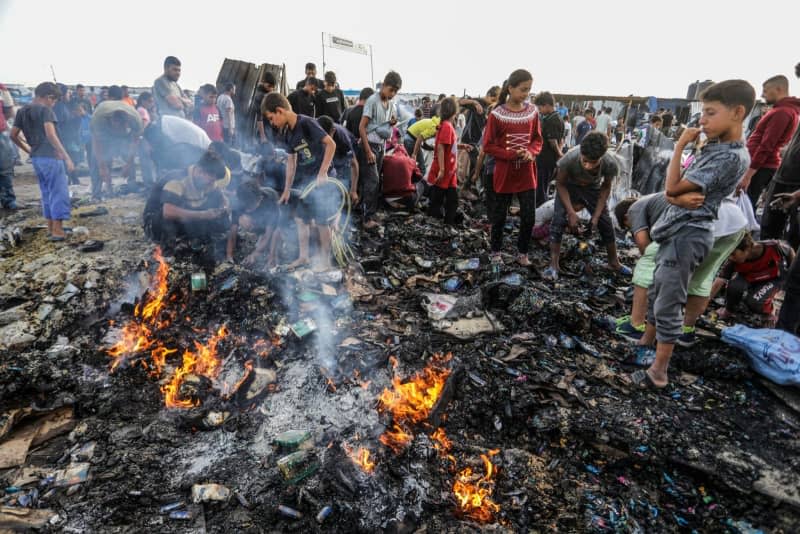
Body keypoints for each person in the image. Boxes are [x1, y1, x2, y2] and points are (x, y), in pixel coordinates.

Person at [631, 80, 755, 390]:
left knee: (670, 301)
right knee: (660, 292)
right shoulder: (716, 148)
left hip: (689, 233)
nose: (702, 120)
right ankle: (646, 345)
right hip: (679, 229)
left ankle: (659, 371)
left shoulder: (728, 157)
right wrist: (675, 197)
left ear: (738, 113)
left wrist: (678, 147)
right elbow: (675, 193)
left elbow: (672, 187)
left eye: (711, 113)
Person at [614, 193, 748, 347]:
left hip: (703, 221)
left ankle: (636, 325)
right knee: (701, 275)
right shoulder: (656, 203)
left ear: (626, 218)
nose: (632, 231)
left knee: (647, 263)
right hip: (735, 222)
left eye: (628, 228)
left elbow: (644, 246)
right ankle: (685, 331)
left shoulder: (635, 209)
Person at [262, 92, 337, 270]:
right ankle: (304, 257)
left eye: (272, 118)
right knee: (300, 218)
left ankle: (326, 261)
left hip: (323, 180)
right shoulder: (288, 133)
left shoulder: (306, 123)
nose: (273, 123)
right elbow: (291, 161)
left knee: (321, 222)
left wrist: (323, 172)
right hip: (308, 183)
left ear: (280, 111)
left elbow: (331, 144)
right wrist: (287, 189)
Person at [544, 133, 628, 280]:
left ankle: (614, 262)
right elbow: (560, 184)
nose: (588, 165)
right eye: (585, 161)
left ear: (601, 157)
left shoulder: (610, 164)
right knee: (558, 221)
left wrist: (595, 217)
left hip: (592, 190)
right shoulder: (569, 158)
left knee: (605, 222)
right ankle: (553, 265)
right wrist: (570, 212)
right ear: (581, 153)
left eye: (593, 162)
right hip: (568, 187)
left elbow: (605, 188)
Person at [482, 69, 542, 266]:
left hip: (526, 173)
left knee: (529, 216)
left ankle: (522, 252)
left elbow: (537, 139)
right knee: (499, 215)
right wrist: (510, 154)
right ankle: (496, 252)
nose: (526, 94)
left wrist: (531, 152)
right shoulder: (497, 115)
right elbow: (488, 145)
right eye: (523, 90)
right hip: (504, 173)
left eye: (529, 90)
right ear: (511, 88)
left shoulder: (532, 112)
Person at [10, 82, 74, 241]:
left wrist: (29, 150)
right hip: (51, 157)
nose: (54, 103)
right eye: (54, 100)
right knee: (59, 192)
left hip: (37, 158)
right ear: (48, 97)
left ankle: (51, 227)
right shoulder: (46, 110)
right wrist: (66, 156)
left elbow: (13, 135)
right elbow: (51, 135)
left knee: (47, 193)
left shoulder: (22, 111)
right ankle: (58, 231)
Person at [146, 150, 231, 253]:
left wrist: (224, 207)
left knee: (221, 220)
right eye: (210, 180)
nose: (212, 183)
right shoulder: (178, 179)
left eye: (214, 180)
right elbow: (168, 212)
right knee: (167, 222)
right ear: (200, 171)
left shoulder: (209, 180)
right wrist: (203, 215)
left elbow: (221, 197)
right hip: (157, 220)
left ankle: (191, 240)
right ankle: (169, 249)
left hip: (185, 217)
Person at [738, 75, 800, 208]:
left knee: (746, 206)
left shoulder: (782, 112)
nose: (762, 95)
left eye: (765, 91)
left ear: (778, 89)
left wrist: (748, 175)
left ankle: (745, 229)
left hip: (761, 167)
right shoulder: (782, 110)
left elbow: (767, 145)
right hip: (761, 166)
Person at [711, 233, 795, 324]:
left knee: (754, 302)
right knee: (734, 286)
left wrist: (792, 272)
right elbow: (720, 281)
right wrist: (706, 301)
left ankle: (768, 313)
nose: (730, 257)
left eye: (733, 254)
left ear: (747, 249)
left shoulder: (773, 246)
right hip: (750, 277)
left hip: (773, 278)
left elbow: (790, 250)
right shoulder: (732, 261)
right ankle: (729, 310)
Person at [760, 65, 800, 248]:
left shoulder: (784, 112)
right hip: (784, 175)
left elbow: (766, 144)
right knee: (770, 229)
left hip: (793, 181)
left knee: (790, 237)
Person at [358, 71, 402, 229]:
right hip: (369, 145)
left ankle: (371, 212)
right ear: (384, 85)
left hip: (381, 146)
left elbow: (384, 125)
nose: (393, 94)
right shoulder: (372, 101)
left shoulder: (390, 104)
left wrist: (392, 122)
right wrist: (368, 151)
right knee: (372, 181)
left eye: (396, 92)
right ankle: (366, 218)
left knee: (376, 182)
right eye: (391, 90)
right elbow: (362, 127)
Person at [88, 99, 144, 197]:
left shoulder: (135, 120)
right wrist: (102, 167)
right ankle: (97, 192)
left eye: (120, 127)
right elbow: (96, 143)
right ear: (110, 120)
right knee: (97, 160)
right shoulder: (98, 119)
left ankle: (132, 188)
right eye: (115, 126)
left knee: (128, 155)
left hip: (125, 135)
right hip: (104, 134)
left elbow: (135, 143)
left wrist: (128, 163)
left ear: (126, 123)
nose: (117, 129)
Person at [226, 179, 280, 267]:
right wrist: (229, 256)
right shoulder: (239, 201)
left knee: (276, 234)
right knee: (243, 219)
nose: (248, 210)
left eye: (251, 207)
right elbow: (232, 233)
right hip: (257, 219)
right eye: (246, 207)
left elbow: (268, 234)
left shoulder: (270, 200)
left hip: (272, 219)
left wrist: (254, 254)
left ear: (260, 198)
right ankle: (256, 232)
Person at [425, 97, 460, 224]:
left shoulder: (446, 125)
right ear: (455, 112)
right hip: (445, 169)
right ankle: (435, 222)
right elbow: (440, 147)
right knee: (438, 198)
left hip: (449, 170)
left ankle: (447, 223)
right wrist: (442, 169)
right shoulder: (446, 126)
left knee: (451, 199)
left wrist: (462, 146)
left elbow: (448, 145)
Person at [317, 114, 359, 204]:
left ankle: (344, 201)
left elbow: (353, 164)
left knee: (342, 178)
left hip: (346, 149)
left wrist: (353, 190)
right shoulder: (314, 128)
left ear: (333, 131)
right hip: (334, 152)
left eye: (327, 137)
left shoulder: (342, 138)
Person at [533, 91, 564, 207]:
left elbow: (553, 141)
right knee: (541, 186)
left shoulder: (553, 119)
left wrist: (560, 154)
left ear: (547, 105)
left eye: (540, 107)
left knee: (541, 189)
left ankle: (539, 212)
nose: (539, 110)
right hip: (545, 159)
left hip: (546, 160)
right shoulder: (551, 117)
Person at [0, 86, 17, 209]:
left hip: (1, 133)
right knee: (5, 170)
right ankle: (8, 200)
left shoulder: (2, 88)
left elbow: (10, 111)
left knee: (5, 169)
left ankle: (8, 200)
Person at [136, 92, 157, 187]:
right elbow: (143, 126)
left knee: (147, 163)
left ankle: (148, 183)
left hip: (144, 139)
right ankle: (149, 184)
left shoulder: (143, 110)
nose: (151, 103)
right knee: (146, 163)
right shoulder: (142, 110)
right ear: (143, 101)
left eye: (152, 101)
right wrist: (143, 139)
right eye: (149, 101)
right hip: (144, 139)